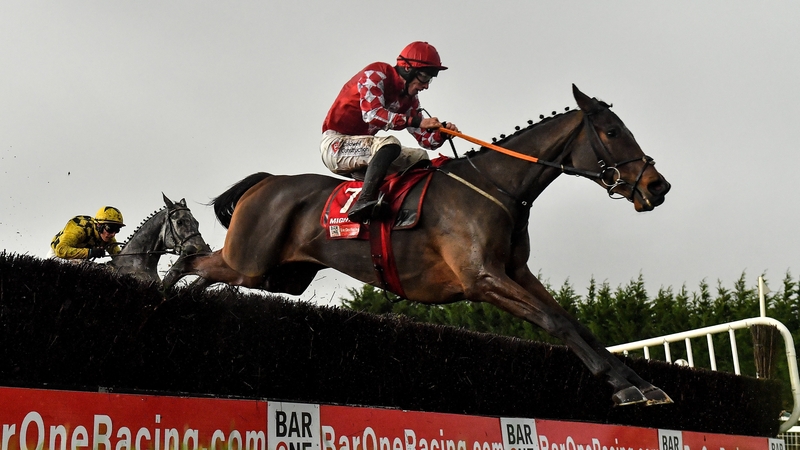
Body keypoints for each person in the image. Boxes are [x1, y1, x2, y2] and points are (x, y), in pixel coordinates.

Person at [321, 41, 459, 223]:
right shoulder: (376, 74)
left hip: (365, 152)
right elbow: (372, 115)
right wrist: (418, 120)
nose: (426, 86)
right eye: (425, 77)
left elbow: (427, 141)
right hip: (336, 146)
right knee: (390, 143)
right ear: (408, 69)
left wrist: (441, 133)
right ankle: (364, 201)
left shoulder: (409, 100)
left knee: (420, 157)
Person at [47, 206, 125, 261]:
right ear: (98, 225)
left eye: (117, 230)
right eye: (110, 229)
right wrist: (90, 252)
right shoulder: (79, 228)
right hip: (58, 256)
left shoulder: (107, 236)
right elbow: (61, 250)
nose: (113, 234)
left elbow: (119, 258)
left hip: (79, 260)